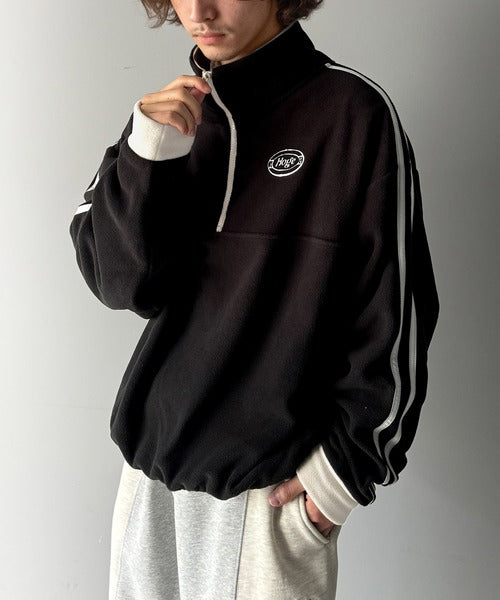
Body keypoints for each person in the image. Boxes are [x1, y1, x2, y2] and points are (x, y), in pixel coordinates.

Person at [70, 0, 439, 597]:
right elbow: (119, 284)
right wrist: (147, 154)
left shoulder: (353, 114)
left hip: (269, 500)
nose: (200, 10)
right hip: (149, 482)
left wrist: (340, 478)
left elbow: (397, 316)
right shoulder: (168, 117)